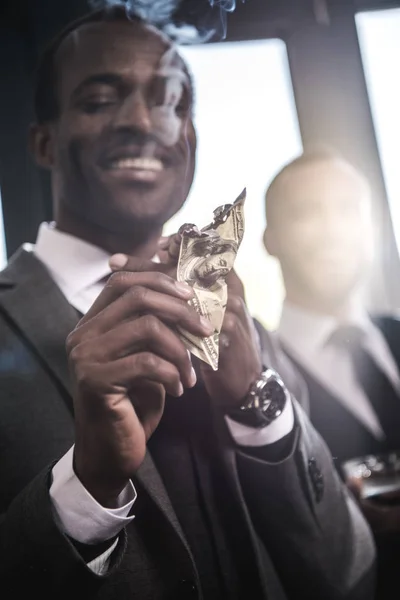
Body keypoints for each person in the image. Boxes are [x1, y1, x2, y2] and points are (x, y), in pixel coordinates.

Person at [0, 9, 374, 599]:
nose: (144, 121)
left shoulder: (248, 329)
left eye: (171, 102)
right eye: (100, 100)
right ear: (44, 142)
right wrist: (88, 482)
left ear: (191, 140)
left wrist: (258, 407)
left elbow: (346, 570)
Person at [263, 148, 400, 597]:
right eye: (307, 214)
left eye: (349, 210)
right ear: (271, 239)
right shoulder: (258, 387)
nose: (334, 232)